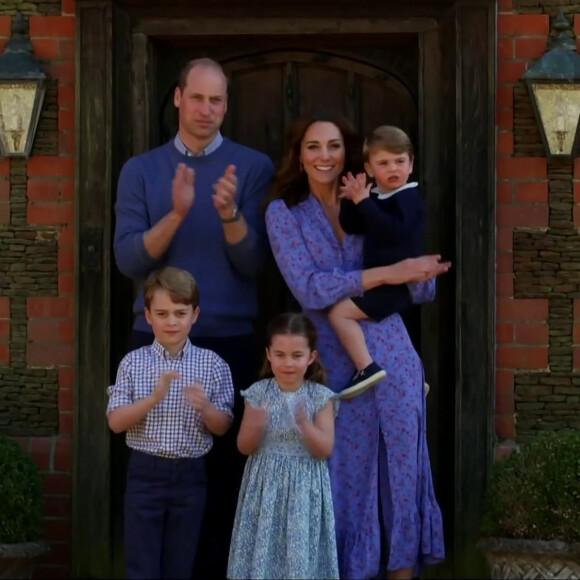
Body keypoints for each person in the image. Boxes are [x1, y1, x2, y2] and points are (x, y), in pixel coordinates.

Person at [264, 115, 448, 580]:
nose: (324, 156)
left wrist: (414, 278)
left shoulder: (377, 198)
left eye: (333, 146)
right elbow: (309, 288)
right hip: (335, 365)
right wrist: (390, 274)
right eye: (313, 147)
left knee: (403, 475)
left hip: (394, 353)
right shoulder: (284, 212)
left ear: (348, 155)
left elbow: (418, 284)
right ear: (299, 155)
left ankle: (403, 571)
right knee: (342, 480)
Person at [113, 57, 275, 577]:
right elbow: (129, 260)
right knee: (153, 472)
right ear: (178, 98)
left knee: (224, 476)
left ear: (228, 105)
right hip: (156, 339)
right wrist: (178, 214)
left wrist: (228, 214)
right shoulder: (141, 170)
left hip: (228, 339)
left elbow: (253, 264)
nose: (207, 109)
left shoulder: (252, 167)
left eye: (218, 100)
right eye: (198, 98)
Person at [106, 267, 234, 579]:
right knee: (141, 561)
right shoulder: (133, 362)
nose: (172, 321)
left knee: (182, 561)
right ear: (148, 316)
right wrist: (152, 399)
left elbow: (224, 426)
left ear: (195, 314)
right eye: (162, 313)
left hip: (190, 474)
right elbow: (115, 422)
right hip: (145, 472)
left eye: (180, 313)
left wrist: (205, 408)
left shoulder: (213, 364)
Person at [227, 312, 339, 580]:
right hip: (265, 486)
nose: (288, 363)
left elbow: (325, 448)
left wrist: (306, 426)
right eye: (280, 355)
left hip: (304, 488)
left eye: (296, 356)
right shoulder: (258, 393)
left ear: (311, 357)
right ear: (269, 354)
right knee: (263, 553)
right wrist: (255, 425)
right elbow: (243, 446)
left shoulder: (320, 396)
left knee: (299, 558)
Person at [328, 125, 426, 399]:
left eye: (400, 161)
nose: (393, 168)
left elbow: (393, 230)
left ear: (411, 164)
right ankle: (410, 374)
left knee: (340, 313)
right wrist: (351, 199)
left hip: (394, 286)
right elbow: (354, 225)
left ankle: (366, 367)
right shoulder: (378, 198)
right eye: (384, 163)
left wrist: (364, 203)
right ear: (370, 169)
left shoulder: (408, 198)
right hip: (381, 282)